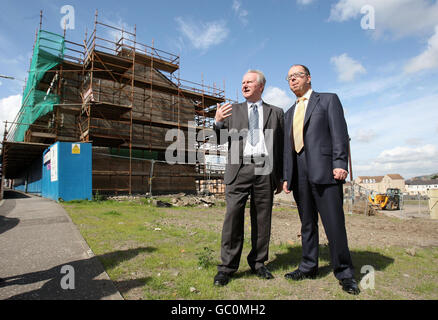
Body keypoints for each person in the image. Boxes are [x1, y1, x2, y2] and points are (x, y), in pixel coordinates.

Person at [282, 64, 360, 295]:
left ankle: (345, 273)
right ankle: (308, 266)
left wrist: (339, 163)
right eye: (289, 78)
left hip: (326, 171)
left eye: (296, 76)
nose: (292, 80)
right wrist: (287, 176)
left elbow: (339, 133)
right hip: (299, 175)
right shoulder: (288, 113)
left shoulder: (328, 100)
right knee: (307, 224)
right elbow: (288, 148)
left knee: (334, 225)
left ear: (308, 78)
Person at [212, 70, 284, 286]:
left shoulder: (276, 112)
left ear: (260, 86)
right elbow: (219, 140)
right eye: (242, 82)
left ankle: (259, 263)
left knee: (262, 219)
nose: (244, 85)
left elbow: (280, 147)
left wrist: (281, 177)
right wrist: (217, 122)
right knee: (233, 217)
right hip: (239, 169)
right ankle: (227, 267)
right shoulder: (231, 110)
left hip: (265, 169)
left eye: (249, 82)